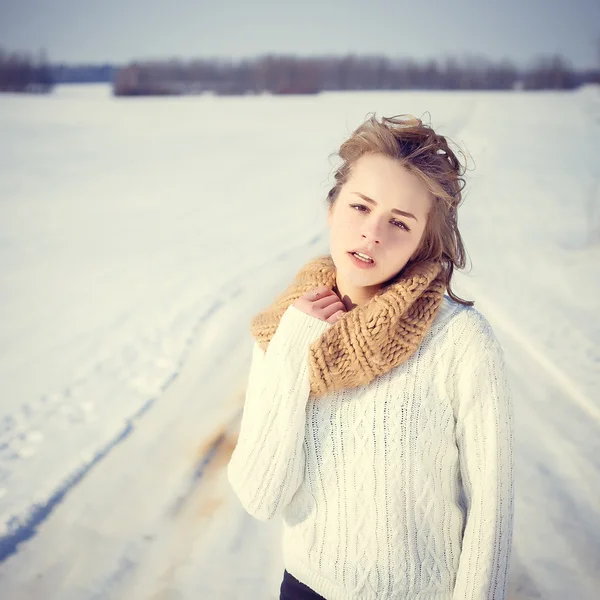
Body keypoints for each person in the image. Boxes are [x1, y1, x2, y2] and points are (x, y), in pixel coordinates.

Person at [227, 113, 514, 600]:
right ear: (332, 208)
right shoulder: (286, 329)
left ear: (423, 241)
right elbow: (261, 496)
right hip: (305, 590)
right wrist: (294, 350)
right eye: (360, 207)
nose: (372, 234)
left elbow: (491, 509)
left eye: (399, 222)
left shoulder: (460, 340)